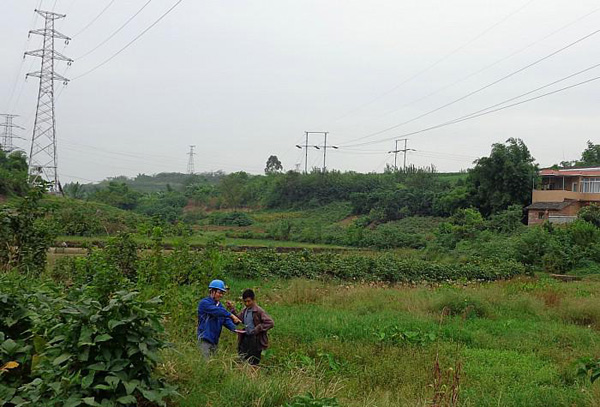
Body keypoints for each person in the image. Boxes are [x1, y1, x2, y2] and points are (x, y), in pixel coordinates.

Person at [227, 289, 274, 365]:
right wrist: (232, 309)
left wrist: (257, 329)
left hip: (255, 340)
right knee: (243, 359)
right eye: (245, 301)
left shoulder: (258, 311)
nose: (247, 303)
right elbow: (238, 321)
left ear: (253, 300)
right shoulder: (244, 310)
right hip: (245, 338)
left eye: (249, 301)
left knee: (253, 362)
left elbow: (270, 323)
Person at [197, 279, 242, 359]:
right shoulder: (204, 303)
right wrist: (231, 315)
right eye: (219, 292)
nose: (221, 295)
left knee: (212, 363)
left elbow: (224, 319)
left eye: (222, 293)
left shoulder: (219, 306)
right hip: (205, 339)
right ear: (212, 291)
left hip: (214, 341)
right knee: (205, 363)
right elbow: (218, 311)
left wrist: (236, 329)